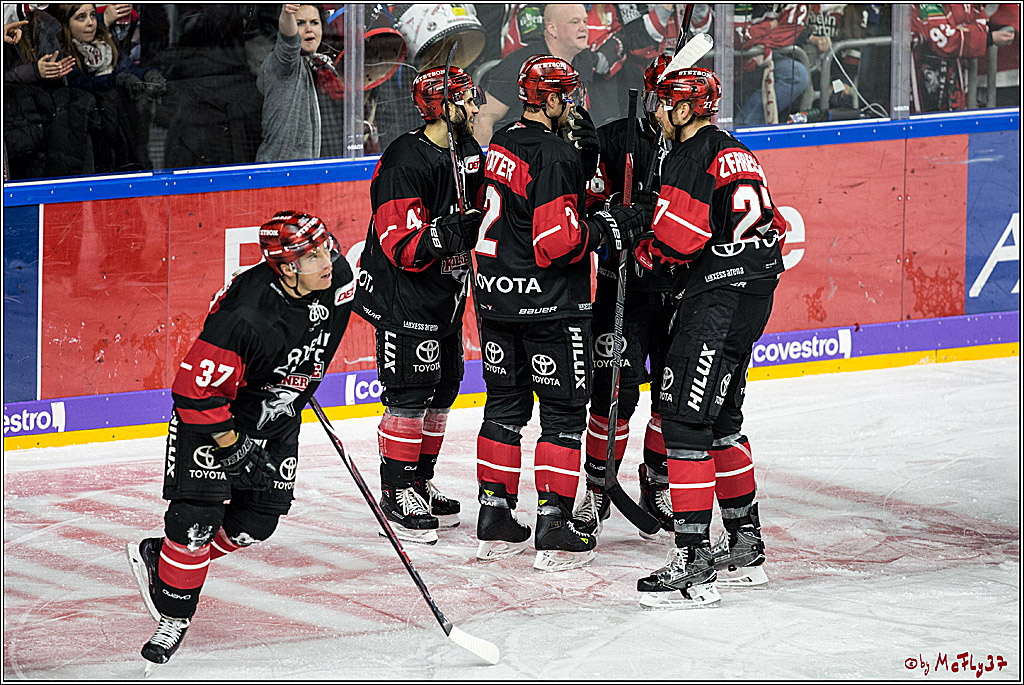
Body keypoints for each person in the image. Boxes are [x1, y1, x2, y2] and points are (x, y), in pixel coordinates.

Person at [125, 211, 356, 664]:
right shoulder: (244, 316)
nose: (327, 261)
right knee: (195, 522)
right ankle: (173, 615)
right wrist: (232, 445)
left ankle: (165, 559)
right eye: (312, 256)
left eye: (326, 248)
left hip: (278, 415)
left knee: (258, 523)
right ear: (286, 267)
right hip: (217, 418)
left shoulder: (339, 277)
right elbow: (193, 390)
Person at [471, 55, 643, 572]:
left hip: (495, 299)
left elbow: (525, 213)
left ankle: (494, 517)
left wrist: (582, 167)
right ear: (548, 100)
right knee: (564, 416)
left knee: (504, 409)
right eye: (565, 96)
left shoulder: (502, 140)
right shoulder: (554, 153)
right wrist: (611, 226)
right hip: (549, 306)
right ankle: (554, 525)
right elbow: (558, 242)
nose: (572, 104)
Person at [632, 66, 788, 608]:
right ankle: (745, 543)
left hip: (717, 300)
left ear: (684, 109)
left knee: (682, 420)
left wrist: (640, 241)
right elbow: (775, 226)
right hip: (754, 294)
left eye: (663, 104)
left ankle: (693, 557)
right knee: (722, 420)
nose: (656, 113)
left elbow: (679, 240)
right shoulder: (738, 151)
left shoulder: (690, 154)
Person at [353, 65, 485, 544]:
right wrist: (450, 232)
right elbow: (402, 247)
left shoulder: (467, 150)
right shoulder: (404, 160)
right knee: (409, 393)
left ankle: (421, 481)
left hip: (445, 295)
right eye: (466, 100)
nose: (475, 108)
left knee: (444, 388)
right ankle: (397, 489)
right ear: (443, 107)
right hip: (403, 298)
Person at [573, 55, 677, 540]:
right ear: (652, 97)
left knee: (672, 397)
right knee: (612, 394)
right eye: (664, 98)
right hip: (624, 289)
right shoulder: (616, 139)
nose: (670, 108)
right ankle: (598, 487)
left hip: (679, 291)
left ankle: (657, 481)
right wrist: (613, 213)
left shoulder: (697, 149)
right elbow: (584, 209)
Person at [53, 3, 165, 171]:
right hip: (96, 139)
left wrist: (148, 75)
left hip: (125, 129)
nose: (90, 23)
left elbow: (127, 69)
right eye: (81, 18)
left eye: (92, 15)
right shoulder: (63, 55)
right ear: (66, 24)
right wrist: (115, 81)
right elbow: (80, 85)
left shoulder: (106, 43)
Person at [473, 3, 590, 146]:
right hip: (515, 147)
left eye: (585, 21)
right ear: (552, 29)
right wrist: (486, 158)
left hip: (553, 146)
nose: (584, 28)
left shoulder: (583, 59)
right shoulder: (521, 65)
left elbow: (579, 113)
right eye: (575, 22)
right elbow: (484, 118)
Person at [255, 3, 330, 162]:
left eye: (314, 22)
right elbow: (289, 42)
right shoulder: (282, 62)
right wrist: (287, 13)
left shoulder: (320, 66)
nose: (309, 29)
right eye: (300, 23)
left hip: (310, 170)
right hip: (279, 170)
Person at [910, 3, 990, 112]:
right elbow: (944, 39)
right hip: (919, 79)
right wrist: (965, 34)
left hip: (956, 79)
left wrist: (960, 33)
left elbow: (983, 27)